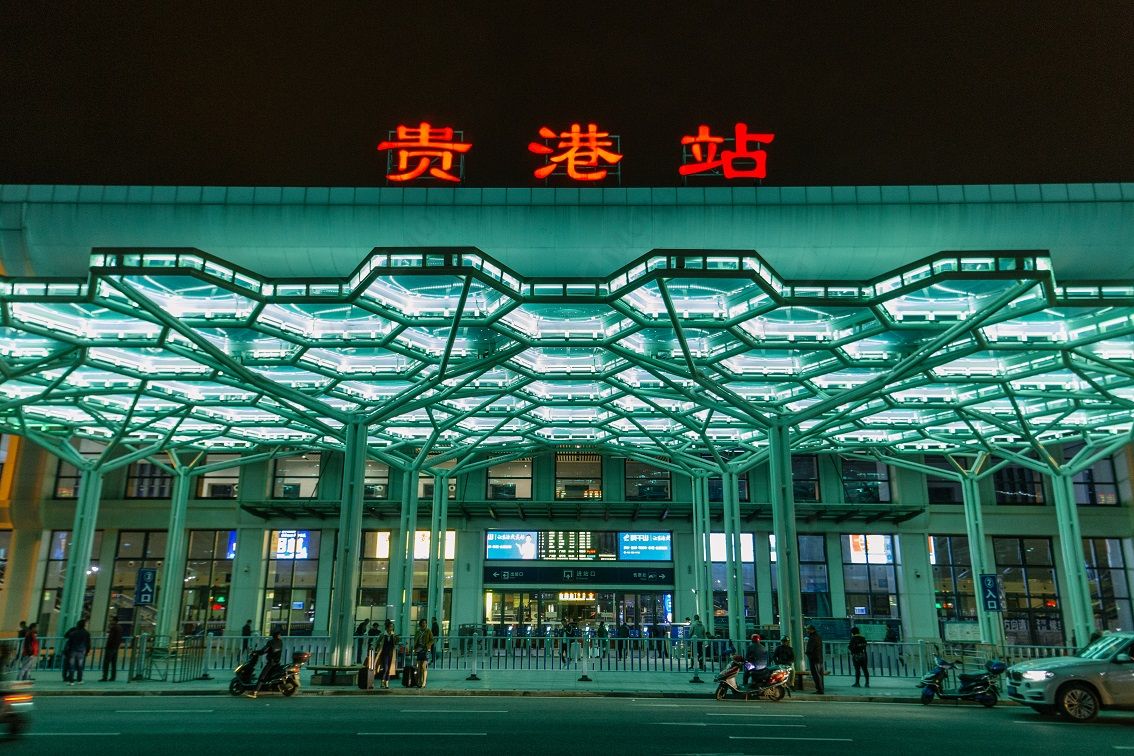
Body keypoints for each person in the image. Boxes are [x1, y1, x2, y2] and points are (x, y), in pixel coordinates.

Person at [246, 628, 283, 698]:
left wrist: (255, 652)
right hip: (277, 662)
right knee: (267, 676)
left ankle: (255, 692)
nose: (280, 636)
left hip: (271, 663)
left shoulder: (271, 642)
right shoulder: (280, 642)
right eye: (279, 635)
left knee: (262, 676)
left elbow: (263, 651)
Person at [63, 619, 92, 685]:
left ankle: (71, 681)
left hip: (73, 651)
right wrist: (87, 651)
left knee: (71, 666)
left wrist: (67, 651)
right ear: (84, 625)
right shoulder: (86, 633)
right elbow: (88, 643)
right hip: (82, 651)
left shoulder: (73, 633)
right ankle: (80, 680)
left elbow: (69, 643)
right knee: (80, 666)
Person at [375, 619, 399, 689]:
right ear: (387, 627)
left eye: (392, 627)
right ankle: (383, 681)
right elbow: (377, 642)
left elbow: (396, 643)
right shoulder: (383, 635)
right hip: (384, 653)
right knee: (385, 668)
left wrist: (397, 639)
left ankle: (387, 682)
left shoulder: (393, 635)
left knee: (390, 668)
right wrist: (377, 648)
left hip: (391, 653)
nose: (391, 628)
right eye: (390, 627)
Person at [413, 618, 434, 689]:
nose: (424, 624)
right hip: (419, 650)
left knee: (423, 666)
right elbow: (415, 640)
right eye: (423, 623)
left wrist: (428, 645)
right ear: (420, 624)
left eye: (425, 623)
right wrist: (415, 648)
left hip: (426, 650)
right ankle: (420, 681)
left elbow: (432, 640)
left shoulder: (428, 631)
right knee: (419, 667)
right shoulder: (418, 632)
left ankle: (424, 681)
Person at [805, 624, 825, 694]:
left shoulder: (812, 638)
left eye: (807, 629)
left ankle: (819, 689)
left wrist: (808, 654)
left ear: (811, 630)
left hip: (814, 659)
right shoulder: (818, 636)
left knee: (816, 674)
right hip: (819, 658)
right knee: (820, 674)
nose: (806, 631)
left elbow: (810, 649)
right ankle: (821, 688)